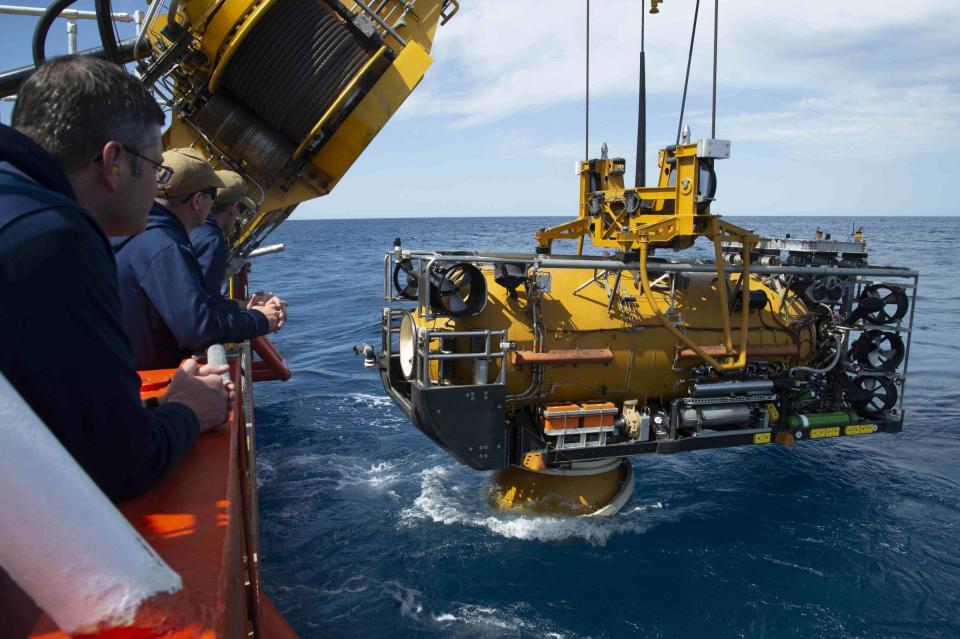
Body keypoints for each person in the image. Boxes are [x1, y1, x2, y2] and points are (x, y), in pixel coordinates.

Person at [0, 56, 234, 503]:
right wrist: (187, 411)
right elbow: (120, 462)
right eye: (154, 167)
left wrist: (153, 410)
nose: (156, 187)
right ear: (114, 162)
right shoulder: (51, 236)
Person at [113, 149, 284, 370]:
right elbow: (199, 328)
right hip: (135, 382)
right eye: (211, 195)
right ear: (197, 200)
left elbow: (193, 304)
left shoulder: (133, 229)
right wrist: (260, 319)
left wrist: (243, 308)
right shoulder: (163, 246)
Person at [191, 170, 289, 324]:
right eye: (240, 208)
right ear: (233, 206)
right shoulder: (212, 241)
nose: (238, 214)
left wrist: (247, 305)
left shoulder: (193, 229)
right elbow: (206, 311)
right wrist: (260, 318)